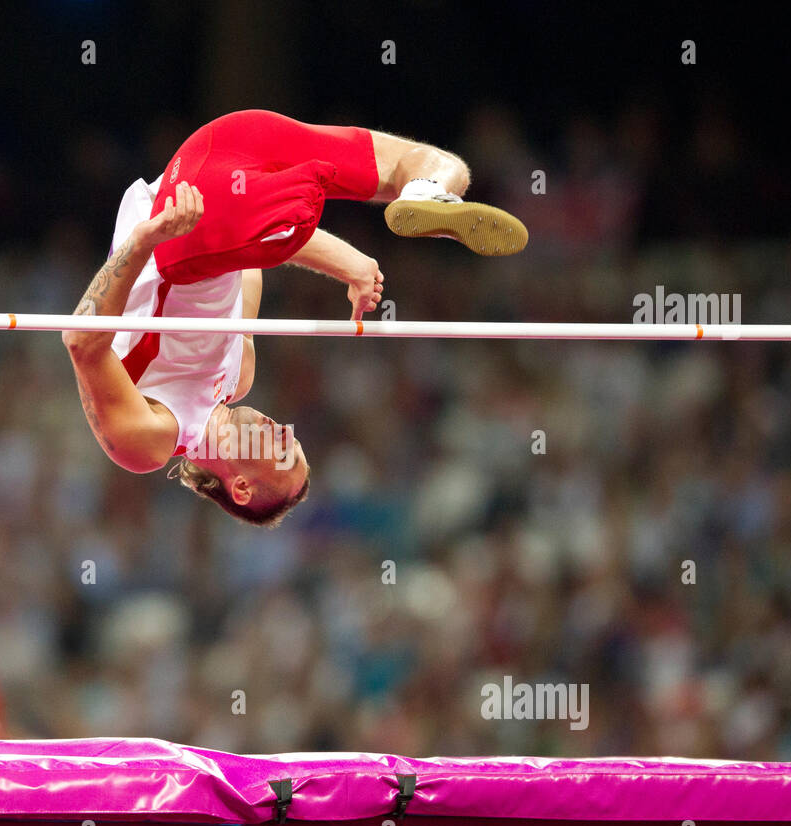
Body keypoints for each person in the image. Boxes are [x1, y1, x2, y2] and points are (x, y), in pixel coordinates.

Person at [63, 109, 526, 527]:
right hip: (227, 170)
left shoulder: (151, 439)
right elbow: (250, 253)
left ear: (241, 488)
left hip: (182, 232)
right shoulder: (237, 374)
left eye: (284, 451)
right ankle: (430, 190)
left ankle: (387, 192)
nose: (286, 430)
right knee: (431, 165)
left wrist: (144, 240)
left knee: (281, 221)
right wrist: (351, 262)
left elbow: (82, 340)